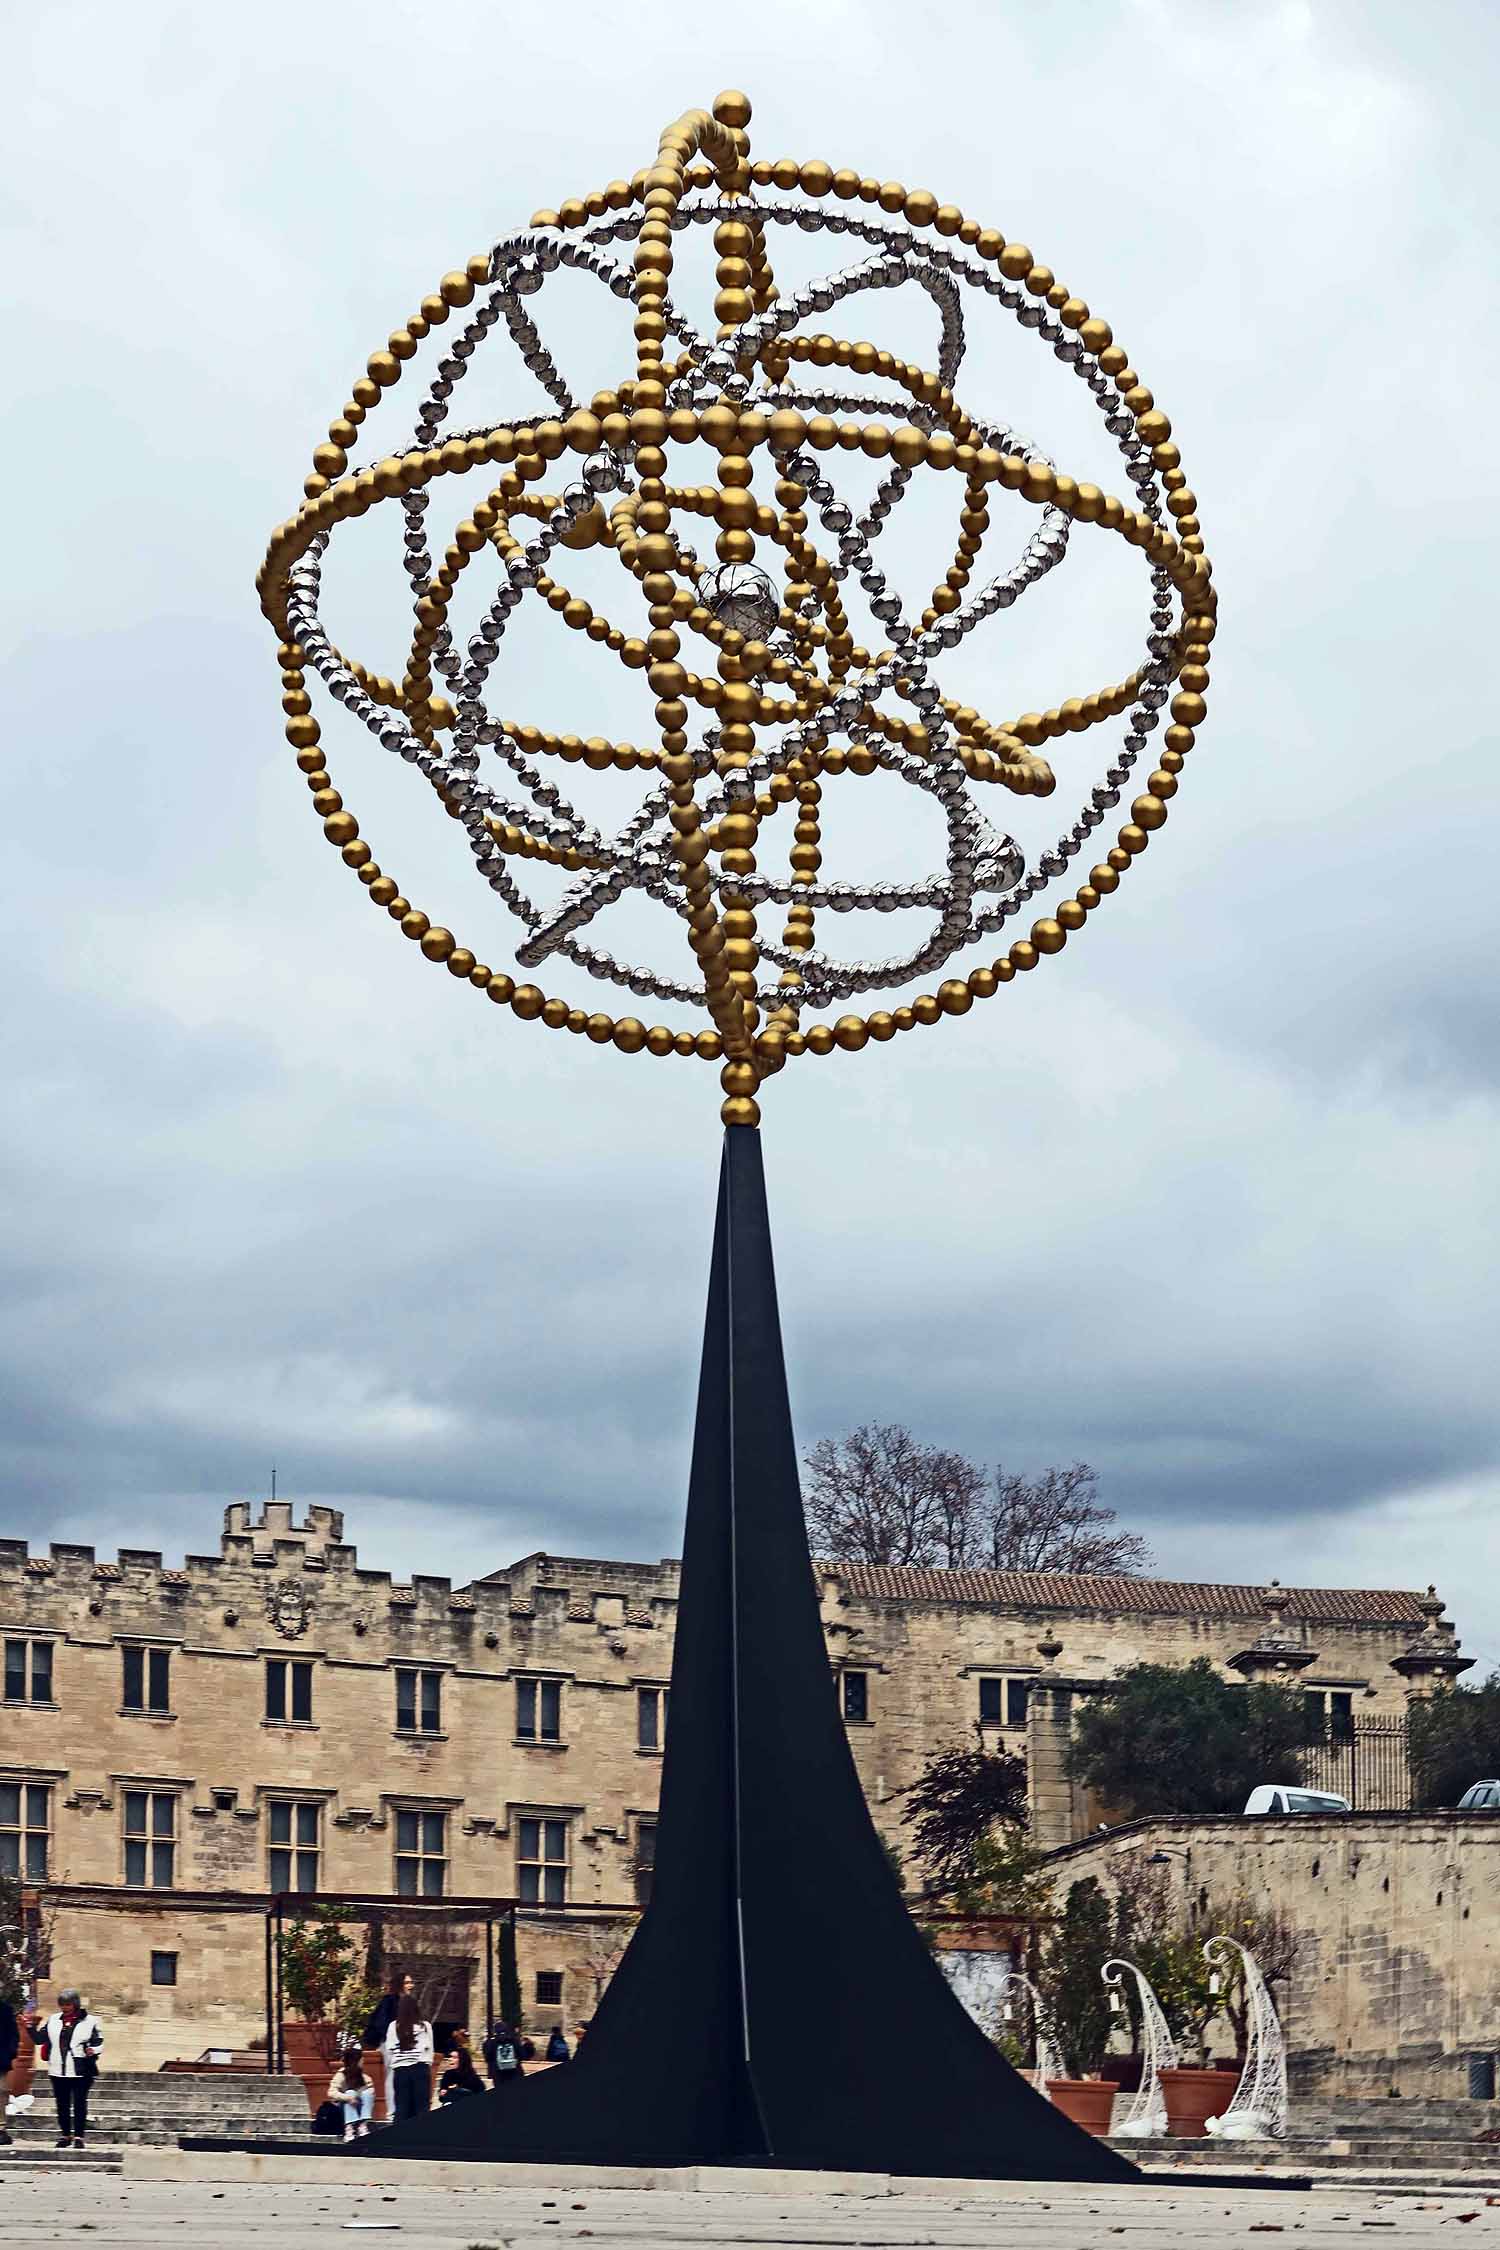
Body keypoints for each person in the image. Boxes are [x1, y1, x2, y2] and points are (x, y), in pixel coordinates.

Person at [37, 1990, 103, 2148]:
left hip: (81, 2069)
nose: (65, 2007)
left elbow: (99, 2041)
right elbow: (40, 2039)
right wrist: (30, 2027)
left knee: (79, 2103)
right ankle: (65, 2135)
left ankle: (79, 2136)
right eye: (62, 2004)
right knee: (62, 2104)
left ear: (75, 2004)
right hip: (57, 2069)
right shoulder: (53, 2020)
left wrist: (93, 2050)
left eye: (68, 2004)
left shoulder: (90, 2021)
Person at [381, 1991, 433, 2121]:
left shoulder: (393, 2026)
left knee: (402, 2108)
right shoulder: (425, 2026)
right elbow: (430, 2050)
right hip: (420, 2069)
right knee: (422, 2108)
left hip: (401, 2071)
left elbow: (389, 2049)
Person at [327, 2040, 375, 2140]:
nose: (363, 2061)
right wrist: (348, 2098)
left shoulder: (364, 2077)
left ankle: (363, 2125)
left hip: (359, 2107)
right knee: (350, 2092)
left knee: (368, 2092)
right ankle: (349, 2128)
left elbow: (369, 2092)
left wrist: (362, 2093)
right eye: (361, 2059)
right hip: (345, 2107)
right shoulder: (341, 2075)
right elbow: (331, 2092)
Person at [362, 1971, 414, 2051]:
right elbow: (380, 2023)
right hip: (379, 2043)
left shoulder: (409, 2003)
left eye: (411, 1983)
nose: (411, 1986)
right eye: (407, 1983)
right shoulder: (388, 2001)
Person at [436, 2027, 484, 2106]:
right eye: (450, 2057)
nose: (450, 2059)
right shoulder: (447, 2075)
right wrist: (442, 2093)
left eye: (454, 2058)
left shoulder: (472, 2076)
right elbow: (441, 2098)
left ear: (462, 2060)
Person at [482, 2017, 524, 2088]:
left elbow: (487, 2058)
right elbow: (522, 2055)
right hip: (514, 2072)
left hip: (498, 2074)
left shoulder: (491, 2042)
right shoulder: (514, 2041)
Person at [0, 1992, 18, 2147]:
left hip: (0, 2059)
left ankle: (0, 2128)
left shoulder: (5, 2009)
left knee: (1, 2092)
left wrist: (10, 2053)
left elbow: (13, 2034)